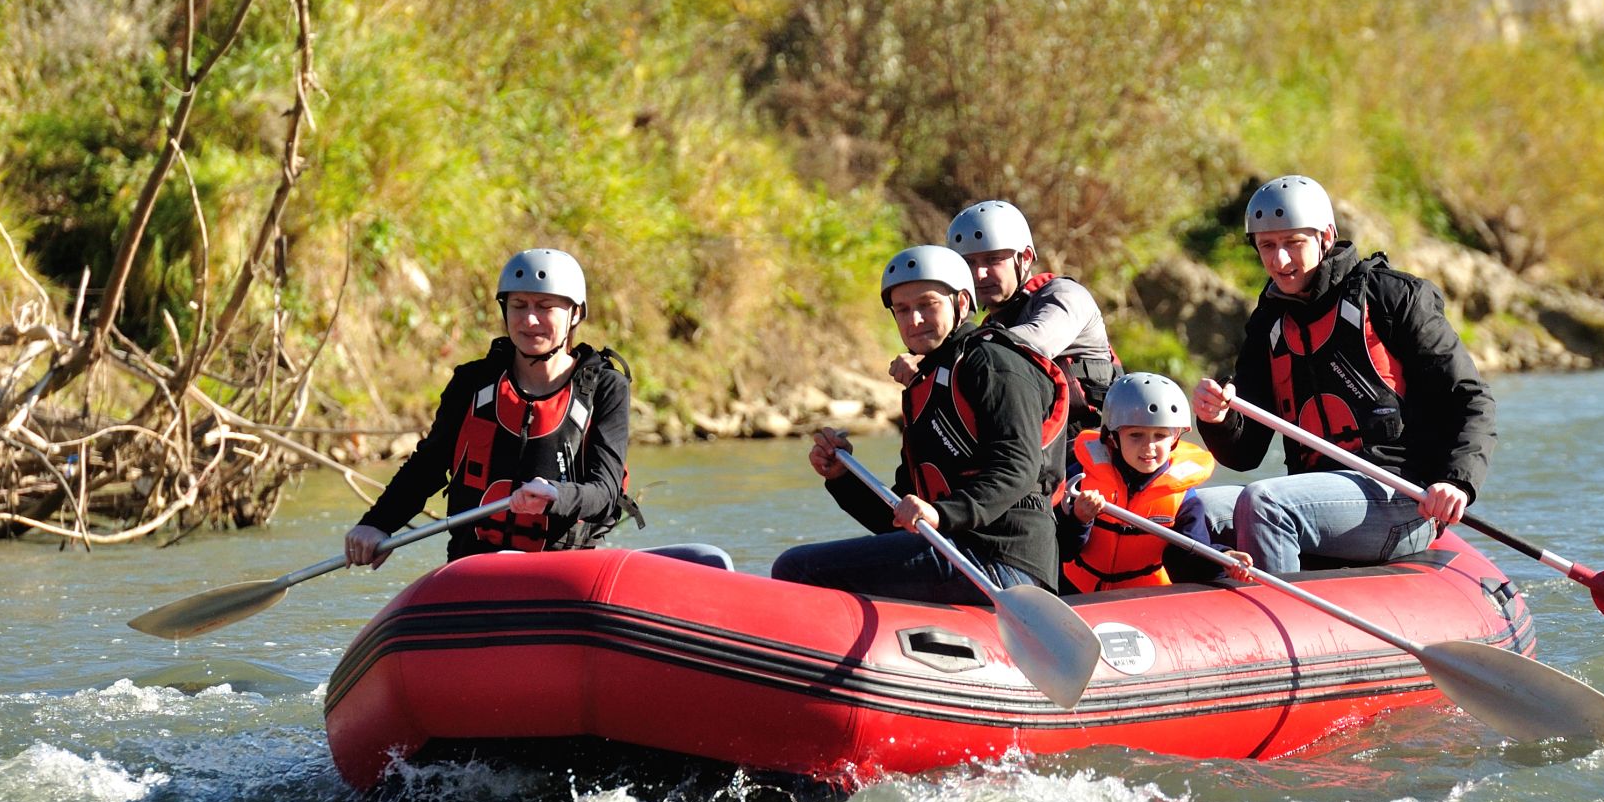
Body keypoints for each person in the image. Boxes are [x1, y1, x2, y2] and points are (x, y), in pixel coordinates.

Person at [344, 248, 732, 571]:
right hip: (474, 568)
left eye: (545, 306)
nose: (529, 319)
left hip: (563, 572)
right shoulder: (472, 382)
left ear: (574, 314)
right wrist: (377, 524)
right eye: (519, 305)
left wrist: (557, 495)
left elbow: (606, 491)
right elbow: (426, 467)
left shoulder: (606, 388)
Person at [1191, 175, 1497, 573]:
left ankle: (1282, 606)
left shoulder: (1392, 297)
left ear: (1325, 237)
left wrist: (1457, 481)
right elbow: (1245, 453)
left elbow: (1470, 398)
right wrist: (1218, 419)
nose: (1279, 260)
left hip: (1402, 496)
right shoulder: (1268, 322)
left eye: (1292, 243)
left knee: (1265, 502)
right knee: (1197, 509)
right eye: (1267, 246)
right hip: (1313, 499)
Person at [772, 244, 1068, 601]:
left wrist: (942, 514)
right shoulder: (926, 386)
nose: (914, 320)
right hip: (955, 550)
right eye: (902, 309)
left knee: (796, 568)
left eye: (927, 305)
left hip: (1001, 562)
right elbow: (896, 518)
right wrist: (842, 479)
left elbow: (1017, 468)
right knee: (806, 566)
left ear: (961, 303)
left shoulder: (993, 364)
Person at [889, 200, 1118, 432]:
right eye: (969, 263)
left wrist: (934, 360)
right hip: (1036, 442)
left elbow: (1032, 344)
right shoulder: (989, 328)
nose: (979, 274)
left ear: (1025, 258)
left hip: (1092, 442)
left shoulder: (1066, 295)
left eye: (993, 259)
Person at [1061, 372, 1256, 591]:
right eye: (1136, 435)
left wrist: (1223, 559)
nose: (1149, 447)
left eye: (1160, 435)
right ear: (1113, 437)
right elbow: (1060, 549)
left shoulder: (1184, 500)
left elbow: (1187, 563)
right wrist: (1079, 519)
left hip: (1142, 597)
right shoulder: (1079, 477)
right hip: (1076, 591)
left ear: (1175, 438)